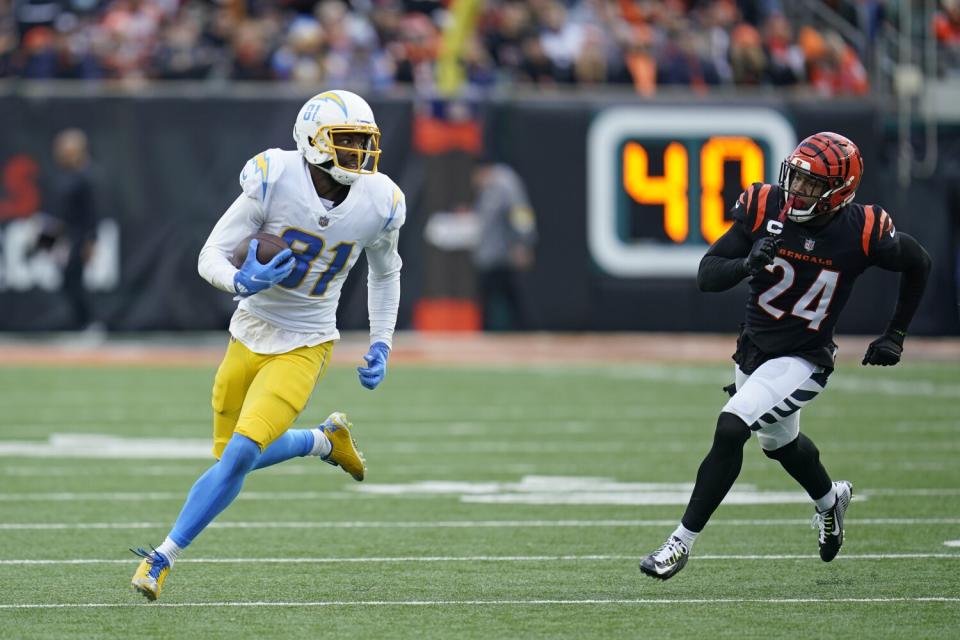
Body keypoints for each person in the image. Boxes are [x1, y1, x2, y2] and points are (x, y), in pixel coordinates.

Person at [129, 90, 405, 600]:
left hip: (307, 342)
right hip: (249, 329)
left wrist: (382, 342)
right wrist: (239, 282)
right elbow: (209, 253)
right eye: (345, 142)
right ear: (311, 140)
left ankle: (162, 557)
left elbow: (386, 274)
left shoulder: (380, 199)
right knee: (229, 457)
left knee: (236, 457)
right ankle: (323, 440)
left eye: (364, 143)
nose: (358, 154)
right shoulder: (274, 176)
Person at [640, 132, 932, 580]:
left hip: (805, 357)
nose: (797, 191)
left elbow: (919, 262)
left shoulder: (864, 228)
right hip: (754, 350)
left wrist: (895, 334)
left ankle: (679, 543)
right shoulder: (764, 205)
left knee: (731, 426)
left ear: (839, 191)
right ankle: (830, 500)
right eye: (795, 178)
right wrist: (746, 264)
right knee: (781, 445)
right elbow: (707, 274)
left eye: (812, 185)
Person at [471, 159, 537, 330]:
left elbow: (521, 213)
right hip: (489, 255)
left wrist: (523, 242)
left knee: (507, 296)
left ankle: (522, 331)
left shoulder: (505, 183)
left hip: (503, 255)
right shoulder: (489, 188)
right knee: (501, 295)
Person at [50, 128, 99, 330]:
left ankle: (89, 324)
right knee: (65, 280)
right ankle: (79, 323)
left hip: (79, 236)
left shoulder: (86, 176)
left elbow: (92, 213)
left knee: (75, 279)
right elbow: (58, 212)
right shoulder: (64, 175)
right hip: (64, 235)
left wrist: (91, 241)